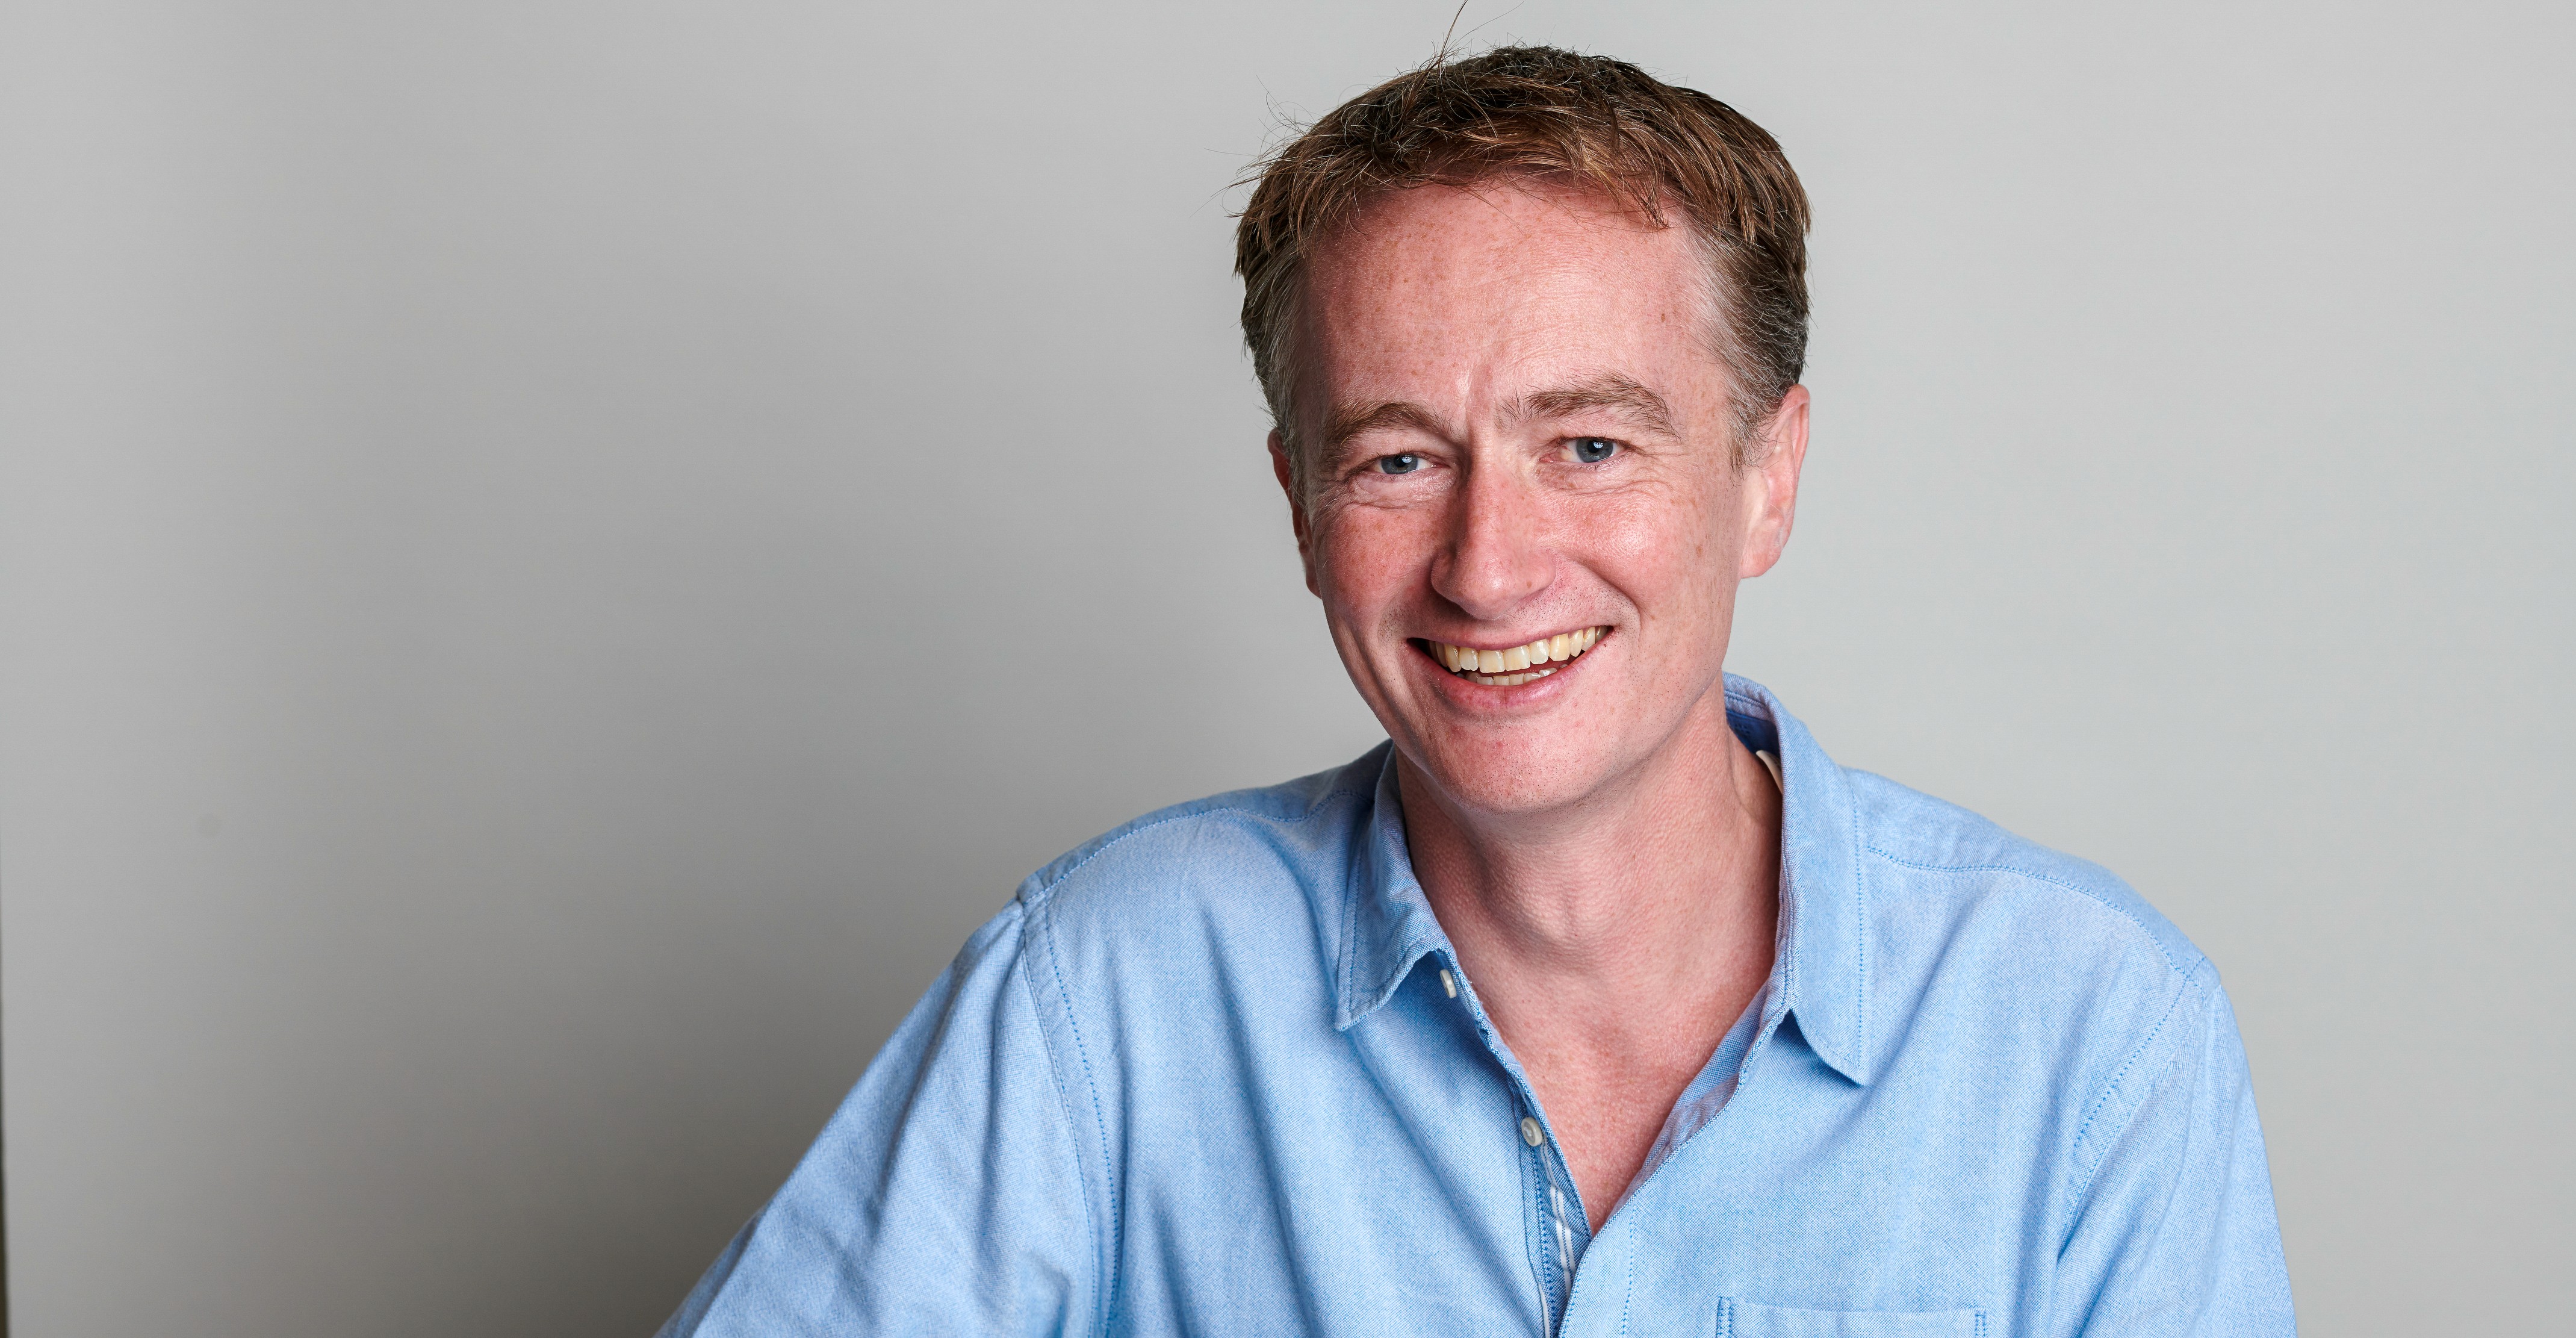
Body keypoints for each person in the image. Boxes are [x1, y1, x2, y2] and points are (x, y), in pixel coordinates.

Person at [659, 46, 2295, 1337]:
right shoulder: (1104, 993)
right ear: (1302, 503)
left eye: (1589, 445)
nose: (1488, 566)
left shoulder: (2091, 1037)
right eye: (1398, 457)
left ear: (1768, 476)